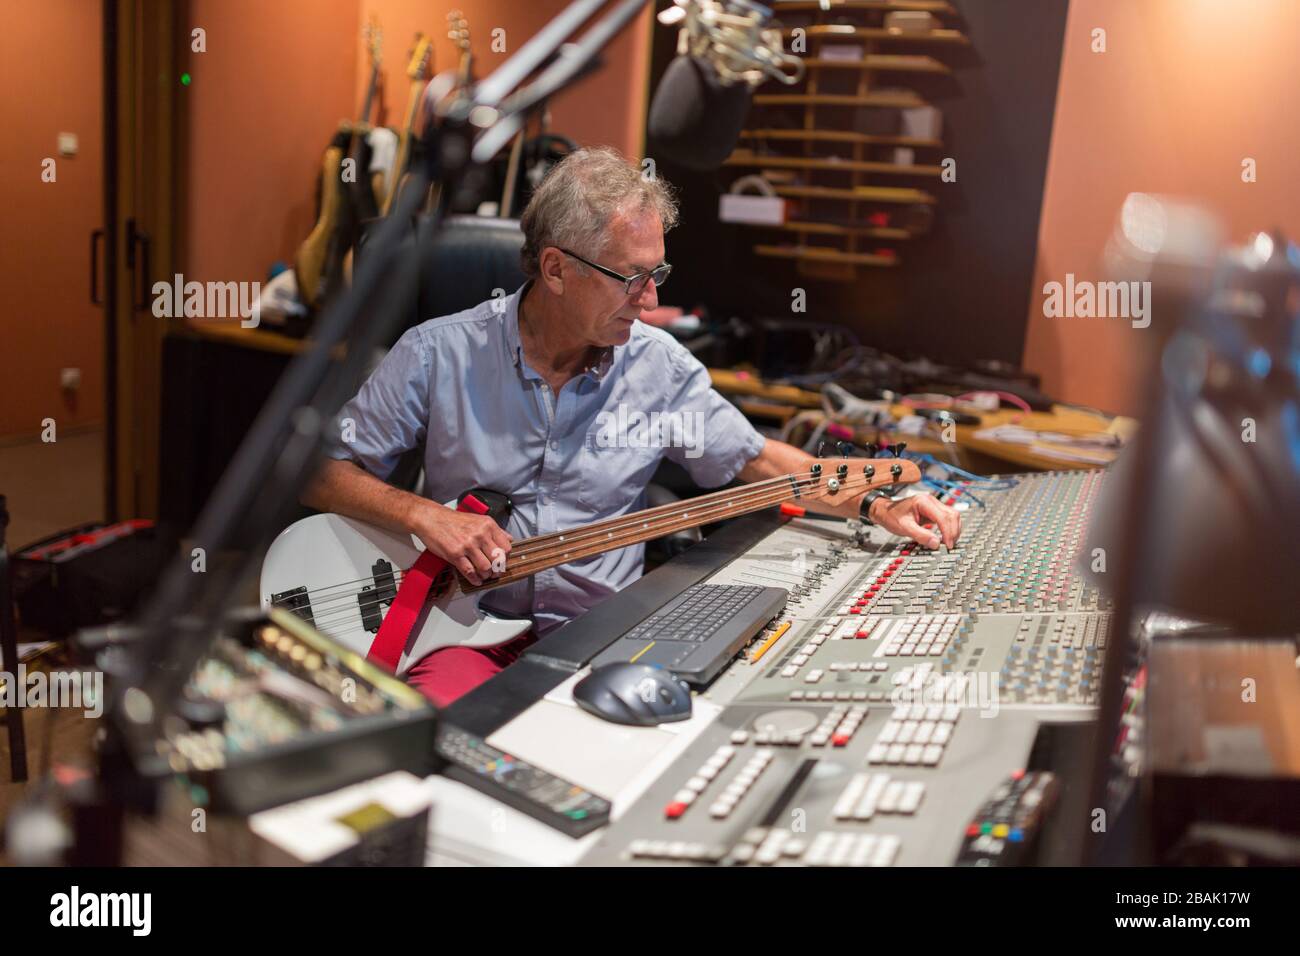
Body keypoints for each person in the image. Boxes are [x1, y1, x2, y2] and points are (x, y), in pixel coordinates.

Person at [304, 147, 961, 706]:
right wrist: (423, 515)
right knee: (450, 751)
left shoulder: (659, 368)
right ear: (556, 269)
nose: (651, 299)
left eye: (659, 273)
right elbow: (316, 471)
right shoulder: (437, 351)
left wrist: (875, 499)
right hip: (457, 631)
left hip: (601, 639)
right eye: (633, 278)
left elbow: (757, 460)